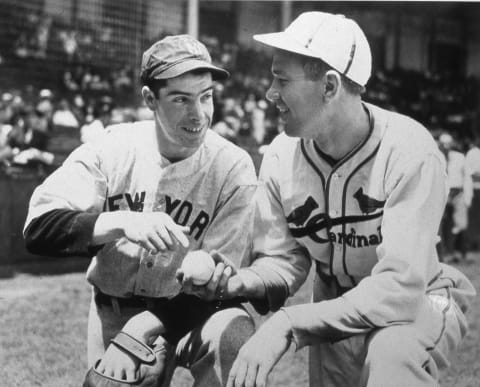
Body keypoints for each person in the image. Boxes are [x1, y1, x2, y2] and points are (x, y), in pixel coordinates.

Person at [188, 12, 476, 387]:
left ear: (329, 86)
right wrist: (241, 282)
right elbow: (284, 259)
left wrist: (292, 321)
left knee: (393, 359)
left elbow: (399, 290)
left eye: (281, 79)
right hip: (335, 305)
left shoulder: (410, 151)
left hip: (420, 300)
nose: (269, 92)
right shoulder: (280, 155)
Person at [23, 34, 257, 387]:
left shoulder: (233, 166)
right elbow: (39, 230)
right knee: (108, 384)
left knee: (234, 337)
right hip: (113, 309)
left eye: (206, 97)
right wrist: (123, 221)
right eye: (181, 99)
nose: (199, 114)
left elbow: (218, 287)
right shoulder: (114, 146)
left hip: (193, 313)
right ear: (150, 98)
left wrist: (139, 330)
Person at [437, 132, 473, 262]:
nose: (446, 147)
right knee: (442, 225)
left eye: (448, 144)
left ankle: (462, 253)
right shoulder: (437, 157)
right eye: (443, 144)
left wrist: (467, 196)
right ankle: (446, 254)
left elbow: (467, 177)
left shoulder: (459, 158)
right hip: (443, 194)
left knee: (461, 224)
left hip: (458, 193)